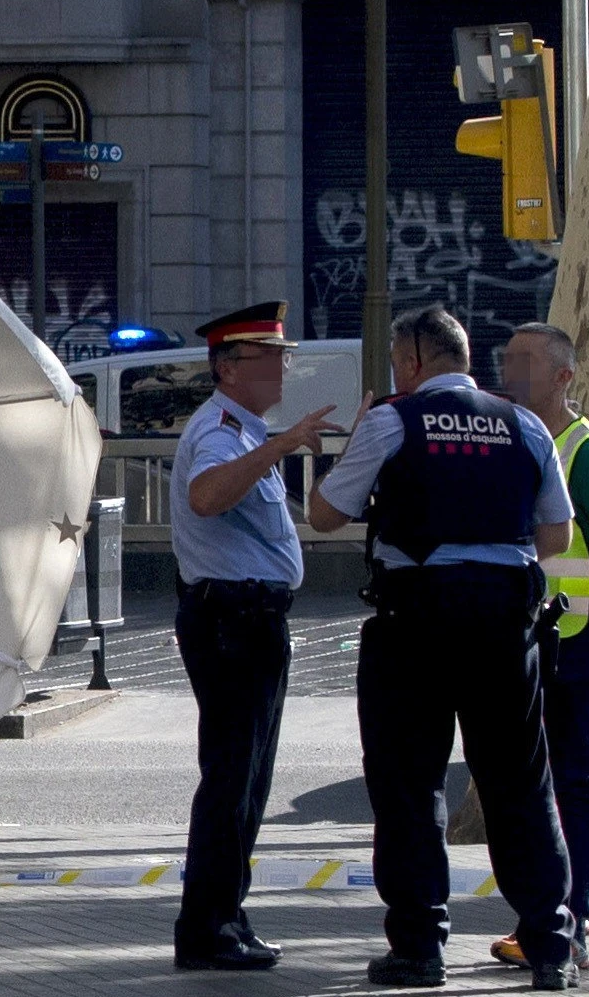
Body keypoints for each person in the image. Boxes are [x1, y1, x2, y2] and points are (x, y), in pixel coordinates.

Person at [311, 305, 581, 991]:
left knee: (409, 784)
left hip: (416, 621)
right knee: (521, 783)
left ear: (410, 362)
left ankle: (419, 946)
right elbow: (555, 533)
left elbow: (324, 512)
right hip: (504, 621)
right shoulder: (523, 423)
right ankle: (551, 943)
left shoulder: (391, 421)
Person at [169, 301, 341, 972]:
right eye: (269, 357)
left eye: (283, 356)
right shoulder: (220, 430)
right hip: (231, 621)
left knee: (248, 780)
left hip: (252, 621)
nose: (281, 368)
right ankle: (207, 926)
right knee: (232, 779)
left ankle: (225, 914)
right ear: (227, 367)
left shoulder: (243, 429)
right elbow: (207, 496)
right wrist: (279, 444)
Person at [487, 322, 589, 973]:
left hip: (579, 643)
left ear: (564, 376)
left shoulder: (585, 452)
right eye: (507, 358)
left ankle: (572, 921)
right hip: (519, 638)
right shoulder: (514, 437)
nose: (511, 369)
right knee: (527, 785)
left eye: (525, 360)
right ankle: (540, 919)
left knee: (573, 782)